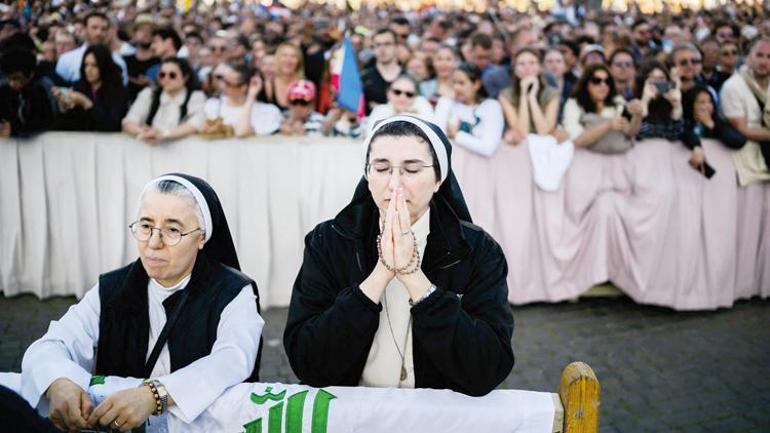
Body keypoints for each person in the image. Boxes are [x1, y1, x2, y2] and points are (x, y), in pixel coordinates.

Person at [284, 115, 514, 396]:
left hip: (439, 412)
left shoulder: (477, 250)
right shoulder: (329, 241)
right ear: (367, 175)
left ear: (439, 179)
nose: (394, 184)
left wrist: (414, 278)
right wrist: (380, 274)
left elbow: (488, 367)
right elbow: (307, 360)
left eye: (412, 169)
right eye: (381, 168)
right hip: (352, 408)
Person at [21, 174, 264, 432]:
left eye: (173, 230)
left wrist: (154, 395)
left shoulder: (233, 292)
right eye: (146, 226)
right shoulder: (112, 289)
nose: (154, 243)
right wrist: (59, 382)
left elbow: (231, 359)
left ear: (202, 237)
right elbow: (53, 344)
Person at [720, 37, 770, 186]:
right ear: (748, 58)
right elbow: (742, 130)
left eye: (769, 57)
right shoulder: (733, 86)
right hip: (743, 165)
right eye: (759, 55)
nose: (764, 61)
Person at [562, 64, 644, 153]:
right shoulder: (574, 103)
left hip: (619, 158)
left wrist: (638, 115)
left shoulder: (618, 101)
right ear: (586, 84)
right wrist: (607, 125)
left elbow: (631, 132)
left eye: (607, 81)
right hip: (585, 158)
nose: (603, 85)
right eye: (597, 81)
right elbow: (576, 142)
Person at [122, 57, 206, 144]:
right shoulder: (149, 94)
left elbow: (196, 122)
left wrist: (164, 134)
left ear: (185, 77)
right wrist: (143, 132)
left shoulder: (196, 96)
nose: (166, 78)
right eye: (162, 75)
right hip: (149, 148)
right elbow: (129, 121)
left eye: (172, 75)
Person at [52, 44, 129, 132]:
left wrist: (86, 103)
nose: (88, 70)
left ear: (104, 66)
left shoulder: (117, 90)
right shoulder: (79, 86)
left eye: (94, 65)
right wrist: (64, 104)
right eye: (86, 65)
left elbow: (112, 124)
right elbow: (67, 122)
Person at [434, 62, 505, 157]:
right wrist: (445, 101)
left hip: (480, 164)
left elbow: (488, 148)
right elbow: (436, 137)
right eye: (454, 82)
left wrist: (457, 135)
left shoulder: (491, 106)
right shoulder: (447, 103)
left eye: (461, 83)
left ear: (476, 84)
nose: (456, 87)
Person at [498, 48, 560, 145]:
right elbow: (522, 132)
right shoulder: (505, 95)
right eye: (521, 64)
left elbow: (544, 131)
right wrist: (524, 94)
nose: (527, 67)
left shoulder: (552, 93)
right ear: (514, 69)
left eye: (532, 63)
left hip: (545, 146)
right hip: (519, 147)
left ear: (540, 67)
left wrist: (532, 97)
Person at [202, 63, 282, 137]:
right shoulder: (212, 105)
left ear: (243, 88)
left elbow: (242, 132)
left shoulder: (269, 111)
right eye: (224, 81)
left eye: (228, 84)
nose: (224, 86)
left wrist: (251, 96)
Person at [682, 85, 746, 173]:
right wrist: (696, 146)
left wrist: (711, 125)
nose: (707, 106)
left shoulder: (718, 122)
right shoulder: (684, 122)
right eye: (702, 102)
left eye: (710, 102)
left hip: (720, 170)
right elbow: (684, 133)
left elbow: (738, 141)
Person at [55, 11, 128, 85]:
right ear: (84, 29)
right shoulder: (66, 60)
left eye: (103, 29)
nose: (99, 33)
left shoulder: (118, 62)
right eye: (94, 28)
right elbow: (58, 88)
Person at [0, 45, 57, 137]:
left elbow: (50, 121)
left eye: (17, 79)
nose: (12, 83)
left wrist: (14, 132)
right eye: (9, 79)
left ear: (31, 74)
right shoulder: (3, 89)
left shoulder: (43, 88)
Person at [366, 74, 435, 134]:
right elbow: (371, 134)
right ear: (388, 93)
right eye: (397, 92)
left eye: (409, 94)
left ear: (415, 97)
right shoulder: (380, 111)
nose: (402, 97)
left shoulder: (422, 109)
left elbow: (432, 131)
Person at [634, 60, 684, 141]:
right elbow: (638, 134)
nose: (657, 82)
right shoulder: (633, 101)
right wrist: (645, 102)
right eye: (652, 78)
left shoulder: (669, 102)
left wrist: (677, 107)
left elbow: (676, 135)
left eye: (661, 78)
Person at [362, 29, 404, 114]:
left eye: (387, 44)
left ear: (396, 46)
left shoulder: (408, 78)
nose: (382, 49)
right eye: (378, 45)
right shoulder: (364, 78)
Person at [259, 42, 305, 111]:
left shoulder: (305, 85)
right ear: (277, 59)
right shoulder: (267, 85)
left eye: (293, 56)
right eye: (284, 55)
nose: (288, 60)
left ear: (299, 61)